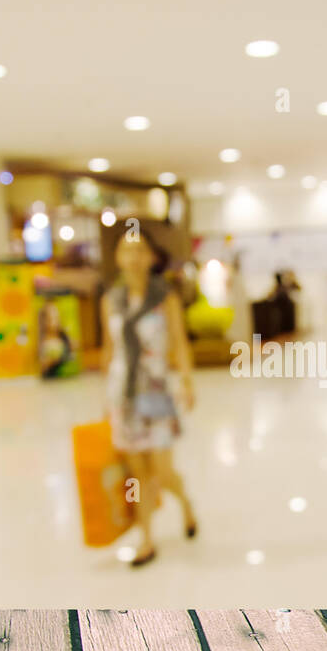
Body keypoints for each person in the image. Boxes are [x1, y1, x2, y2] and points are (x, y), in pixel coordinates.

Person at [101, 224, 198, 568]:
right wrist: (105, 398)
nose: (133, 257)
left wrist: (186, 380)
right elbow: (109, 350)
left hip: (155, 390)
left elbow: (179, 343)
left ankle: (184, 502)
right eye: (126, 250)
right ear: (117, 257)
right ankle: (146, 539)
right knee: (138, 472)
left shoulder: (165, 298)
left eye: (139, 249)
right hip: (123, 394)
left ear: (151, 257)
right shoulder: (110, 302)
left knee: (162, 471)